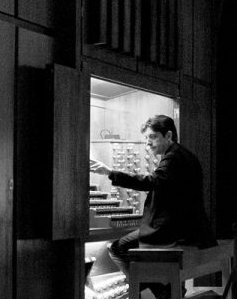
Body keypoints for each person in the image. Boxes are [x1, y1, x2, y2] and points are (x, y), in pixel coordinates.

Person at [90, 115, 216, 298]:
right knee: (127, 246)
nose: (148, 143)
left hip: (173, 230)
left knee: (117, 248)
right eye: (146, 138)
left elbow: (150, 182)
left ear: (169, 135)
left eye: (153, 137)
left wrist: (110, 172)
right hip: (186, 228)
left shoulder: (173, 157)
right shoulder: (183, 155)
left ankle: (158, 289)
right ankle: (166, 289)